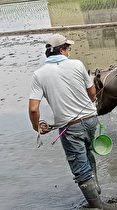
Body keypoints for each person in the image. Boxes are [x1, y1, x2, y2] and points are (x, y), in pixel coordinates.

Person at [28, 34, 104, 208]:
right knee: (87, 153)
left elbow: (33, 109)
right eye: (68, 48)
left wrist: (36, 127)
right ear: (61, 50)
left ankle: (96, 205)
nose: (69, 51)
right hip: (91, 120)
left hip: (70, 128)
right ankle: (96, 189)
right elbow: (92, 93)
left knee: (79, 166)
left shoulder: (39, 75)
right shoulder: (77, 64)